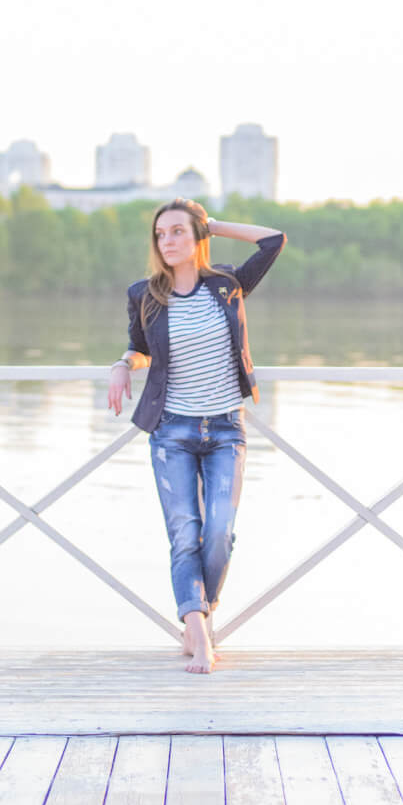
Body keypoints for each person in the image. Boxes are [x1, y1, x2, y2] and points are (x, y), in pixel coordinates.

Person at [107, 199, 286, 672]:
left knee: (220, 534)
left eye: (178, 232)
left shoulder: (227, 284)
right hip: (172, 432)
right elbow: (140, 348)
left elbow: (273, 241)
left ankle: (199, 616)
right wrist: (123, 364)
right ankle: (200, 635)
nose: (166, 241)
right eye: (160, 234)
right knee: (185, 534)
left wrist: (214, 225)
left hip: (226, 428)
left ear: (198, 237)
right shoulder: (145, 294)